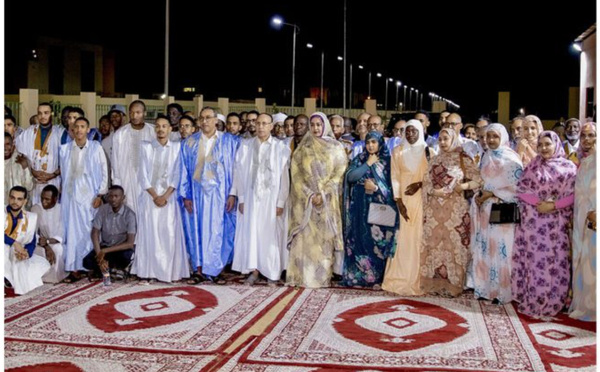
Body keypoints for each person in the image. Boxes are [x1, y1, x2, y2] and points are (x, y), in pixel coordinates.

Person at [512, 131, 577, 317]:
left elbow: (573, 194)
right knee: (535, 262)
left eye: (547, 144)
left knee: (555, 262)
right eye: (540, 145)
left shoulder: (569, 167)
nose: (544, 148)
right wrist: (538, 204)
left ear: (556, 144)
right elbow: (521, 189)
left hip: (556, 225)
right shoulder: (533, 165)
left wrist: (553, 205)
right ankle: (534, 298)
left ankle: (554, 301)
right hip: (535, 224)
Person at [286, 112, 347, 288]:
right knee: (305, 240)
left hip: (327, 202)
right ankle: (303, 276)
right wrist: (311, 195)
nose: (315, 128)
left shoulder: (335, 147)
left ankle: (321, 277)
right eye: (312, 125)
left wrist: (324, 192)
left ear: (325, 125)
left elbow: (339, 172)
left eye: (319, 124)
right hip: (306, 203)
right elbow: (296, 176)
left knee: (323, 241)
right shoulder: (302, 149)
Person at [180, 107, 240, 284]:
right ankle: (199, 269)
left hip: (220, 195)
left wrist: (232, 193)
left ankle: (215, 269)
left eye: (208, 118)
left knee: (218, 230)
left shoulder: (230, 142)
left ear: (216, 120)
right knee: (196, 229)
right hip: (196, 195)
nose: (205, 121)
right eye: (202, 118)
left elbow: (237, 170)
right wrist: (186, 195)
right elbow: (182, 170)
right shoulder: (189, 142)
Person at [420, 128, 482, 297]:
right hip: (434, 210)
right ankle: (433, 284)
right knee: (433, 246)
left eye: (446, 139)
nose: (442, 142)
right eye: (440, 139)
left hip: (456, 211)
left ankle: (453, 285)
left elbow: (478, 180)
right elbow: (425, 183)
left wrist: (463, 186)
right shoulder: (434, 160)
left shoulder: (463, 159)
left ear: (454, 139)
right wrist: (434, 192)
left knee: (454, 246)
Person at [230, 113, 291, 285]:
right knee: (252, 234)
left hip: (271, 199)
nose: (261, 127)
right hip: (250, 198)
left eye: (265, 123)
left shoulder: (280, 147)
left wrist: (280, 202)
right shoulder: (246, 146)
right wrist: (241, 198)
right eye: (258, 123)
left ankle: (272, 272)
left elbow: (284, 179)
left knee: (271, 235)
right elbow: (239, 173)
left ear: (271, 126)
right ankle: (254, 270)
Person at [467, 124, 523, 303]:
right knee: (485, 249)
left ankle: (502, 292)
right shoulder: (486, 157)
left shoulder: (511, 159)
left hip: (502, 210)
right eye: (487, 136)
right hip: (485, 210)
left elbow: (517, 187)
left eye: (494, 137)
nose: (490, 140)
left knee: (502, 251)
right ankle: (485, 289)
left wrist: (492, 193)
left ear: (503, 138)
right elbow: (483, 182)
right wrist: (480, 195)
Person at [132, 115, 188, 283]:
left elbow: (178, 174)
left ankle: (169, 272)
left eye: (164, 126)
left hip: (169, 198)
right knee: (150, 233)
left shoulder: (177, 148)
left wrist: (165, 195)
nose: (161, 129)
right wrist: (155, 195)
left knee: (168, 233)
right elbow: (142, 174)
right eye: (158, 126)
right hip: (150, 198)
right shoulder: (147, 147)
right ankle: (149, 271)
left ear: (171, 129)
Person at [342, 131, 398, 288]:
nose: (370, 145)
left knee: (378, 242)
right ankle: (359, 277)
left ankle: (377, 277)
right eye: (368, 142)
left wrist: (377, 188)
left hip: (380, 209)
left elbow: (393, 188)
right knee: (359, 239)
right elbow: (350, 177)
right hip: (360, 207)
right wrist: (368, 163)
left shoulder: (388, 162)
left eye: (374, 142)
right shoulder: (360, 159)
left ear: (380, 143)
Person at [382, 120, 433, 296]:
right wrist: (399, 201)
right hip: (402, 201)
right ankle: (398, 277)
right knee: (402, 238)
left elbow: (433, 177)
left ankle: (418, 279)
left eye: (414, 131)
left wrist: (419, 184)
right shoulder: (397, 152)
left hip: (422, 200)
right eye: (408, 131)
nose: (410, 134)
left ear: (421, 132)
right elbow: (394, 176)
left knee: (418, 238)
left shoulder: (429, 152)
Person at [60, 117, 108, 283]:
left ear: (88, 129)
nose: (79, 130)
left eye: (82, 127)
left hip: (90, 198)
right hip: (70, 199)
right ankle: (74, 268)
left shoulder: (95, 147)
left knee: (90, 232)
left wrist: (101, 195)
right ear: (72, 130)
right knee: (71, 232)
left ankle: (90, 267)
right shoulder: (65, 149)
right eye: (76, 127)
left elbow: (104, 171)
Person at [111, 100, 156, 215]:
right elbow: (115, 163)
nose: (134, 116)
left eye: (138, 112)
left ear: (144, 113)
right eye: (131, 113)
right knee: (129, 214)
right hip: (126, 182)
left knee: (148, 215)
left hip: (149, 183)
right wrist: (117, 187)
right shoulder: (120, 134)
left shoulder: (153, 132)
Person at [83, 185, 136, 281]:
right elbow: (95, 233)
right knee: (86, 262)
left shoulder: (130, 214)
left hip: (120, 249)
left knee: (125, 258)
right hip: (105, 247)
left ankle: (106, 270)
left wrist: (104, 252)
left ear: (123, 198)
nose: (113, 199)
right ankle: (111, 270)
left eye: (116, 196)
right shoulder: (103, 210)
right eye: (110, 196)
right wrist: (100, 255)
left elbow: (130, 243)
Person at [15, 103, 64, 205]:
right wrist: (32, 170)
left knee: (53, 212)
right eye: (40, 113)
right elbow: (20, 154)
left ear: (52, 114)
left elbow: (68, 159)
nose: (43, 116)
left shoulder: (60, 133)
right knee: (35, 209)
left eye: (46, 113)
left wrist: (52, 174)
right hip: (34, 181)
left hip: (53, 181)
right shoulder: (29, 132)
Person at [5, 186, 50, 295]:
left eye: (19, 199)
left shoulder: (30, 218)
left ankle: (8, 281)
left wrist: (26, 254)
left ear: (25, 201)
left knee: (42, 265)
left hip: (16, 253)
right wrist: (14, 243)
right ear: (8, 198)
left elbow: (31, 241)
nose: (15, 202)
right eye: (12, 198)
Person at [569, 143, 596, 321]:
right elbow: (581, 193)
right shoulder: (588, 163)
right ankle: (590, 304)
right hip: (588, 219)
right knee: (589, 262)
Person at [31, 185, 67, 283]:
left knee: (58, 249)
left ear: (55, 199)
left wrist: (47, 241)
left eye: (47, 199)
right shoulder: (37, 208)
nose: (43, 201)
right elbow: (32, 232)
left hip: (57, 243)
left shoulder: (62, 209)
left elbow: (61, 234)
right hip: (41, 243)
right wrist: (46, 245)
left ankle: (54, 278)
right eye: (42, 198)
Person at [5, 132, 34, 208]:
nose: (4, 147)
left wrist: (25, 168)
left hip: (18, 209)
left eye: (8, 144)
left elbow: (29, 186)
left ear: (13, 146)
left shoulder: (21, 159)